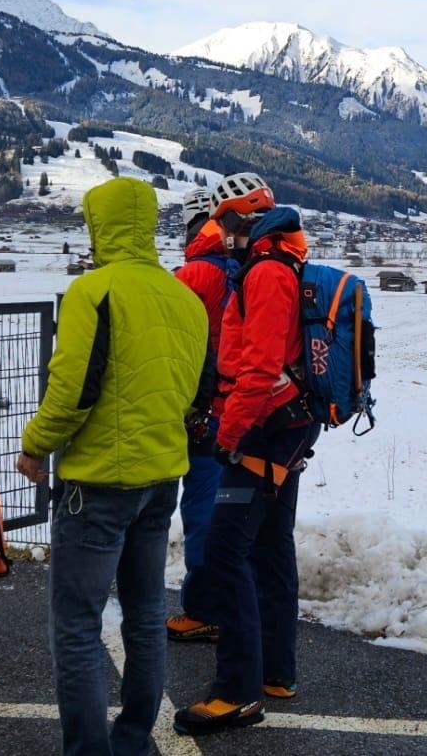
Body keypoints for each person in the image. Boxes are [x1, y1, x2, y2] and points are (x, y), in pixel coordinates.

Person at [17, 177, 207, 756]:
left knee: (76, 623)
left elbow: (72, 388)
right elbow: (198, 391)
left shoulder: (93, 291)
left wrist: (35, 445)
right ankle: (133, 743)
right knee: (147, 614)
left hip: (97, 482)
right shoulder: (184, 298)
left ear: (99, 226)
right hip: (161, 476)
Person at [175, 173, 322, 737]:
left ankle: (236, 692)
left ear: (234, 220)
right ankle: (276, 674)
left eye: (221, 222)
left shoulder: (263, 274)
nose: (218, 232)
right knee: (269, 547)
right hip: (287, 426)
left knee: (224, 553)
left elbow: (258, 368)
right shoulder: (279, 264)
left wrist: (227, 435)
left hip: (262, 428)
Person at [168, 186, 239, 643]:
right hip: (239, 409)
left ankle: (204, 610)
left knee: (200, 511)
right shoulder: (245, 268)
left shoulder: (193, 275)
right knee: (227, 509)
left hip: (199, 411)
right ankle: (228, 602)